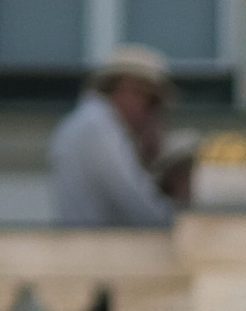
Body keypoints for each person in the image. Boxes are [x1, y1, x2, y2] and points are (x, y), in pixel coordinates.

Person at [49, 45, 187, 229]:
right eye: (152, 103)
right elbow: (139, 208)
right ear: (129, 88)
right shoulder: (100, 128)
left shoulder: (86, 122)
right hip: (98, 251)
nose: (152, 115)